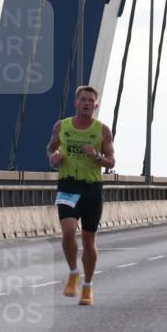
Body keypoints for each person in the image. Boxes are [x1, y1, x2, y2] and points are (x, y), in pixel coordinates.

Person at [46, 85, 115, 306]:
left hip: (92, 189)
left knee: (88, 239)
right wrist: (54, 157)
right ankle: (74, 272)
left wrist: (97, 157)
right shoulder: (62, 126)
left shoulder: (102, 130)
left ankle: (87, 286)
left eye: (90, 101)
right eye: (83, 99)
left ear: (95, 105)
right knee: (67, 233)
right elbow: (51, 148)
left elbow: (111, 161)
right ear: (76, 103)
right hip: (68, 185)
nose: (86, 103)